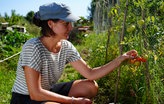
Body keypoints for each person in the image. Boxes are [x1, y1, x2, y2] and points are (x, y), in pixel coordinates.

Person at [10, 2, 138, 104]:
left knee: (90, 86)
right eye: (65, 23)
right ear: (50, 24)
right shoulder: (33, 47)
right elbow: (35, 93)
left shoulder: (66, 46)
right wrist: (73, 101)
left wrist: (120, 59)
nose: (71, 27)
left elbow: (90, 73)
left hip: (47, 91)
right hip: (26, 99)